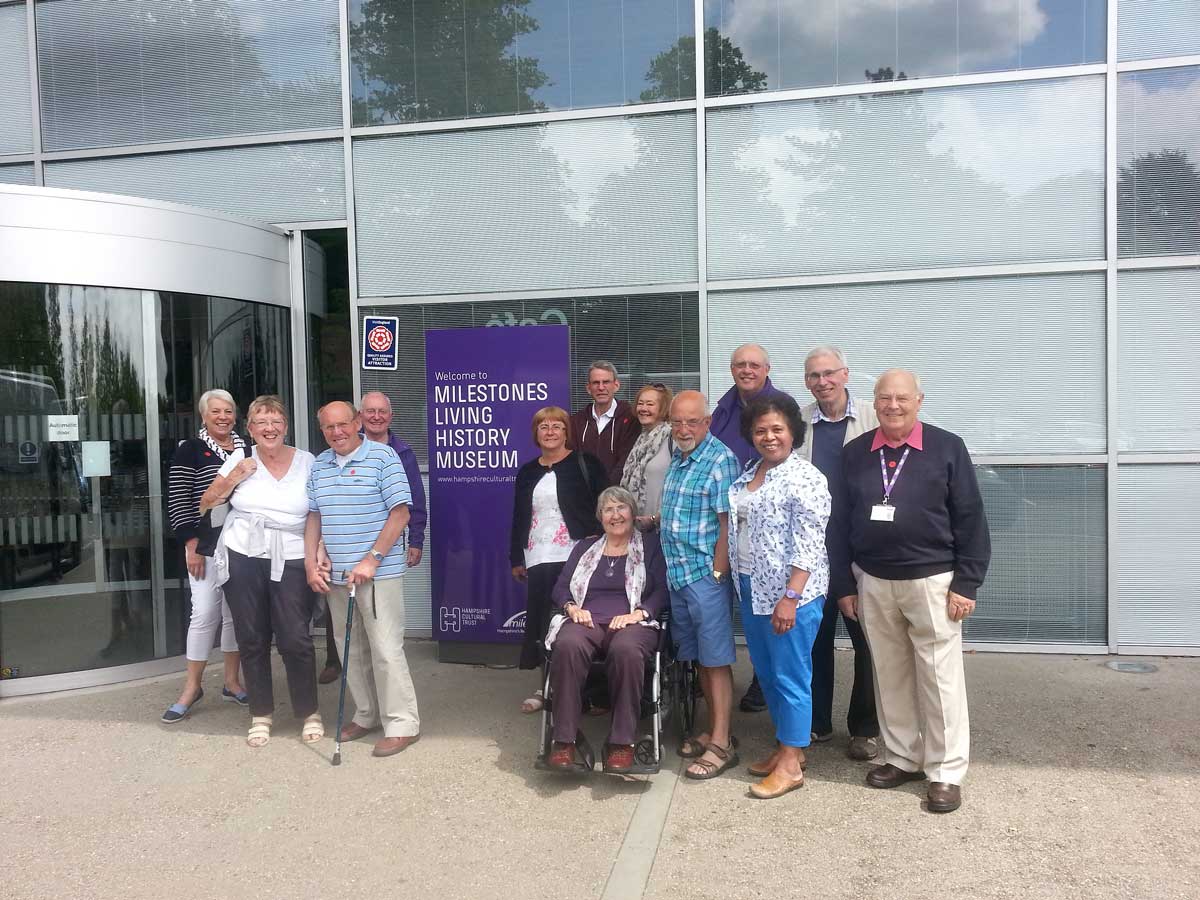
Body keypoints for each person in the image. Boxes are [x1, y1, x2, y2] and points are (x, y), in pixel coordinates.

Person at [836, 369, 991, 813]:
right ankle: (903, 757)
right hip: (874, 580)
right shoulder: (855, 453)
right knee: (890, 673)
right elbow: (841, 523)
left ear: (919, 400)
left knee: (940, 677)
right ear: (874, 403)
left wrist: (967, 582)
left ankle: (945, 771)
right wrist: (846, 584)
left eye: (902, 398)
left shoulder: (946, 447)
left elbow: (971, 518)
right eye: (884, 399)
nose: (893, 406)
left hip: (934, 582)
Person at [202, 396, 320, 748]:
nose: (269, 428)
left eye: (276, 421)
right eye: (261, 422)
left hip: (294, 555)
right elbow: (207, 501)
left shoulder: (307, 461)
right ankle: (261, 713)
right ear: (250, 429)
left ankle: (309, 711)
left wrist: (319, 553)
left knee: (295, 638)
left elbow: (318, 511)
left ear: (286, 426)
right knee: (251, 636)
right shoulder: (240, 458)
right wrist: (234, 477)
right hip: (244, 553)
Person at [729, 394, 831, 799]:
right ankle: (789, 747)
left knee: (791, 674)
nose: (769, 437)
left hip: (791, 593)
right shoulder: (751, 472)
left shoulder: (805, 477)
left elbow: (809, 542)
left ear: (793, 432)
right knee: (767, 672)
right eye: (760, 430)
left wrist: (791, 596)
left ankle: (791, 764)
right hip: (751, 586)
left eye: (777, 429)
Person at [304, 401, 420, 758]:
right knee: (349, 649)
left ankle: (402, 723)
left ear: (357, 423)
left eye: (343, 424)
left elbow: (400, 514)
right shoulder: (320, 464)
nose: (336, 432)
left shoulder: (384, 458)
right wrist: (312, 562)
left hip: (377, 575)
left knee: (386, 650)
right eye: (328, 427)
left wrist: (373, 559)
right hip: (337, 577)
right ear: (321, 429)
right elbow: (314, 517)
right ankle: (366, 713)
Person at [543, 486, 668, 773]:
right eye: (608, 510)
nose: (615, 515)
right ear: (600, 517)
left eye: (621, 507)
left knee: (626, 650)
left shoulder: (650, 547)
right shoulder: (584, 548)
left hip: (632, 621)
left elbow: (662, 590)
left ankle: (622, 743)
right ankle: (564, 740)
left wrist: (638, 613)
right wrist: (572, 607)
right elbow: (561, 587)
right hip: (587, 619)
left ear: (633, 513)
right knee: (568, 645)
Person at [798, 346, 881, 759]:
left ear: (846, 374)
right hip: (812, 552)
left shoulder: (871, 416)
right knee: (815, 640)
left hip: (860, 550)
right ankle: (816, 723)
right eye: (814, 376)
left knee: (868, 642)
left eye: (829, 373)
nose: (822, 382)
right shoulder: (799, 422)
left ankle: (864, 729)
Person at [708, 343, 797, 714]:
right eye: (740, 364)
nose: (746, 370)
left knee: (773, 621)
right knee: (741, 612)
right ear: (732, 370)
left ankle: (769, 692)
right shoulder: (723, 410)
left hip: (774, 534)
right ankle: (722, 680)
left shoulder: (782, 404)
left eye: (754, 364)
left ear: (767, 367)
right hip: (730, 524)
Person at [317, 390, 428, 685]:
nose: (376, 416)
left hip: (380, 563)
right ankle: (335, 666)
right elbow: (321, 512)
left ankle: (396, 719)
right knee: (347, 640)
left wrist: (415, 540)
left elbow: (410, 503)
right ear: (361, 418)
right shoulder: (323, 462)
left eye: (382, 411)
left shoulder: (398, 453)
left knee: (384, 644)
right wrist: (318, 550)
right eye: (371, 411)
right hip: (340, 568)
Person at [659, 390, 742, 780]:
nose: (683, 428)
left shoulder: (720, 459)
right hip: (678, 576)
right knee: (701, 663)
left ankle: (722, 744)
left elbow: (728, 525)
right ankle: (713, 729)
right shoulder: (679, 457)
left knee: (716, 660)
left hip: (705, 577)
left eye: (692, 421)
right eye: (676, 421)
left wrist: (718, 575)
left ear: (707, 422)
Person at [509, 406, 607, 713]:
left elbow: (606, 503)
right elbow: (520, 516)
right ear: (536, 433)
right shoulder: (527, 471)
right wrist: (516, 556)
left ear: (566, 432)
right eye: (543, 427)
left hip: (578, 555)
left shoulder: (584, 463)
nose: (550, 432)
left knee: (578, 621)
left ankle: (589, 691)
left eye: (556, 426)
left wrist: (600, 537)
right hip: (538, 555)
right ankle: (548, 687)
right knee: (543, 621)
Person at [161, 389, 247, 724]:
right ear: (203, 415)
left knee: (233, 614)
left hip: (241, 543)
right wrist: (191, 544)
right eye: (216, 412)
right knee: (205, 613)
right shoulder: (190, 450)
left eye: (228, 411)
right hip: (205, 545)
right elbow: (179, 501)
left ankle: (231, 681)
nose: (223, 417)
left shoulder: (247, 448)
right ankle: (191, 687)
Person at [569, 360, 640, 484]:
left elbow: (626, 461)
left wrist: (607, 491)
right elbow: (573, 461)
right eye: (596, 383)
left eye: (606, 382)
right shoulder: (576, 421)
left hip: (616, 496)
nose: (601, 387)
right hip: (585, 495)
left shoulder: (631, 418)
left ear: (616, 385)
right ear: (588, 388)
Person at [620, 383, 673, 532]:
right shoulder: (641, 440)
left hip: (662, 528)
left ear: (663, 408)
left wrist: (657, 518)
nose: (643, 409)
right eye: (640, 403)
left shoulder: (673, 437)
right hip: (638, 529)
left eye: (650, 404)